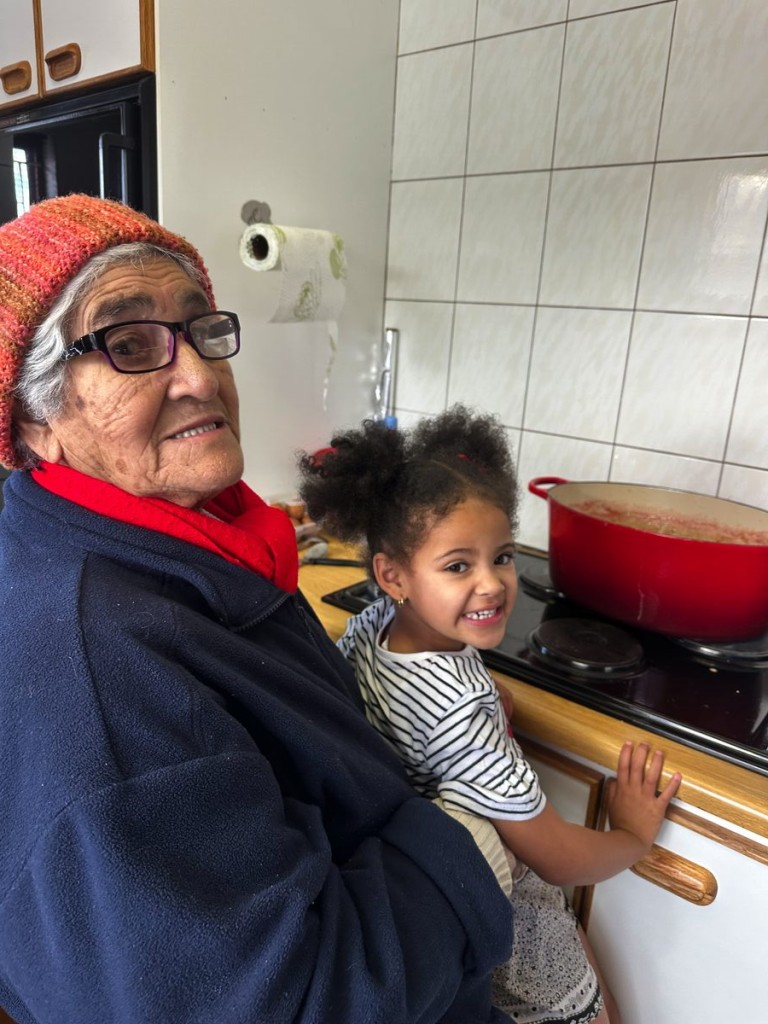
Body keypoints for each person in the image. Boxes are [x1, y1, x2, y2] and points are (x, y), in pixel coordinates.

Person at [0, 196, 519, 1024]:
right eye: (130, 345)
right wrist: (471, 849)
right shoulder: (104, 678)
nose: (202, 375)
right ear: (36, 423)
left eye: (203, 329)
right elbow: (281, 1003)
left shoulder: (189, 543)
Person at [298, 406, 683, 1024]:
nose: (493, 583)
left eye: (501, 556)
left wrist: (470, 710)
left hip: (416, 874)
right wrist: (633, 837)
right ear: (392, 575)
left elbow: (409, 710)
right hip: (498, 901)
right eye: (459, 566)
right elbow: (557, 858)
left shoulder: (374, 626)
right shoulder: (463, 717)